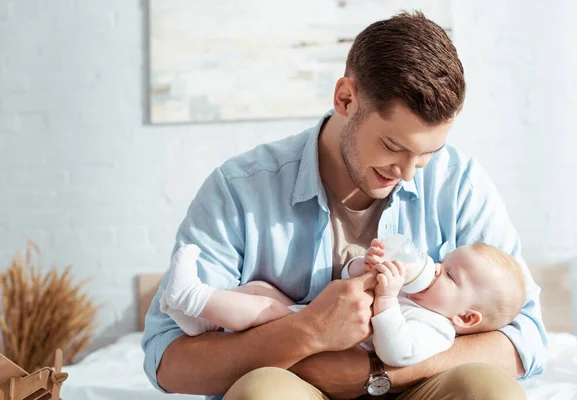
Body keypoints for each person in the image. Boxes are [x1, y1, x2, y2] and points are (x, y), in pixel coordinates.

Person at [142, 10, 547, 400]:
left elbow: (524, 335)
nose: (408, 173)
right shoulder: (239, 190)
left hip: (418, 383)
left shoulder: (458, 182)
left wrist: (374, 374)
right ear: (345, 98)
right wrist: (308, 334)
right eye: (393, 146)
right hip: (292, 382)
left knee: (491, 391)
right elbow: (167, 360)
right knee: (261, 393)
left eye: (426, 154)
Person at [160, 240, 526, 370]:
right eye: (443, 261)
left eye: (449, 276)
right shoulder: (414, 295)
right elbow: (347, 283)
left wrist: (386, 298)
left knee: (266, 311)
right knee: (260, 290)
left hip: (312, 339)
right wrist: (364, 265)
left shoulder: (437, 329)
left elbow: (397, 351)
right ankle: (200, 321)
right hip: (309, 317)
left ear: (465, 317)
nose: (434, 268)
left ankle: (189, 296)